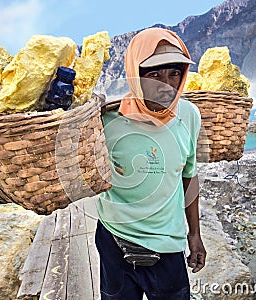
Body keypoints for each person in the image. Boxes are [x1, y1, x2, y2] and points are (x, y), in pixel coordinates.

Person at [95, 27, 206, 300]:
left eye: (174, 73)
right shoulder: (108, 121)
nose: (165, 85)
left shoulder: (189, 115)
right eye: (153, 75)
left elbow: (189, 176)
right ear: (136, 75)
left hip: (166, 246)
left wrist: (195, 234)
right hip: (114, 241)